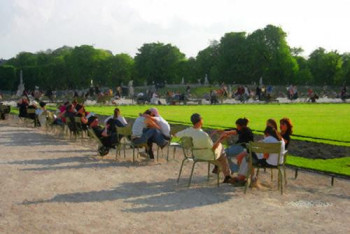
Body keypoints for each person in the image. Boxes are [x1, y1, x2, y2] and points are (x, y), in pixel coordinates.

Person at [175, 113, 232, 183]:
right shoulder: (203, 135)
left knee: (219, 153)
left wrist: (213, 134)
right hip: (207, 155)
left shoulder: (188, 131)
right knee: (221, 149)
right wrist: (221, 138)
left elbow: (176, 135)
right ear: (200, 121)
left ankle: (218, 168)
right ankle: (227, 175)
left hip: (196, 154)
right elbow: (213, 148)